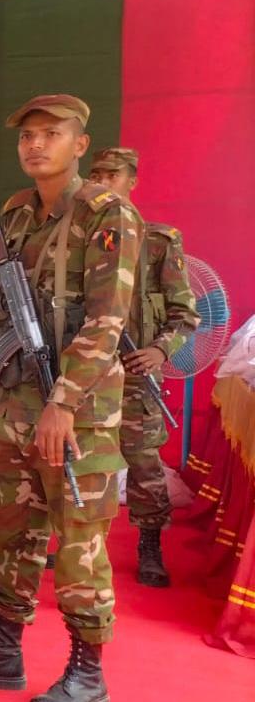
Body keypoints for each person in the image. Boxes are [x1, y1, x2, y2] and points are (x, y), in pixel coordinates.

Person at [0, 95, 140, 702]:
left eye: (52, 134)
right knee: (12, 532)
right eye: (27, 136)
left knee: (78, 539)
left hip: (79, 411)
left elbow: (107, 322)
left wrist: (64, 404)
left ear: (80, 145)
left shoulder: (109, 214)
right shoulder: (17, 214)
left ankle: (88, 670)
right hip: (19, 401)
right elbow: (3, 313)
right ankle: (6, 649)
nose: (36, 145)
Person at [87, 147, 199, 587]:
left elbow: (185, 313)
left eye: (111, 175)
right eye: (95, 174)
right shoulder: (80, 241)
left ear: (131, 181)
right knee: (81, 462)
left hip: (136, 372)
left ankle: (149, 543)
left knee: (144, 463)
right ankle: (83, 545)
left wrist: (160, 351)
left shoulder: (159, 242)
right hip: (88, 373)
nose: (101, 181)